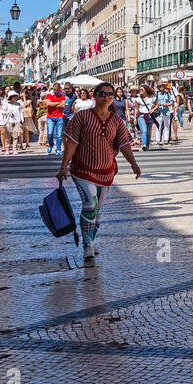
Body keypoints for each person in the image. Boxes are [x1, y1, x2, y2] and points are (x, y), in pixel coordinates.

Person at [56, 82, 141, 264]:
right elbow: (71, 142)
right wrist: (64, 166)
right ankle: (87, 245)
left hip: (106, 171)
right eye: (102, 94)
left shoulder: (116, 120)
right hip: (82, 170)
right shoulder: (82, 117)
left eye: (110, 94)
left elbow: (124, 143)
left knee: (98, 210)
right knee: (90, 205)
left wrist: (133, 163)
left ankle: (91, 241)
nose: (107, 97)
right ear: (95, 96)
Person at [0, 89, 23, 155]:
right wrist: (7, 112)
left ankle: (14, 149)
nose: (15, 98)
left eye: (15, 96)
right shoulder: (6, 104)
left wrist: (22, 119)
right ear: (10, 97)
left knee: (15, 136)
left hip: (16, 121)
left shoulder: (18, 104)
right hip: (8, 121)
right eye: (13, 96)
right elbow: (2, 112)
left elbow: (20, 112)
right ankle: (7, 149)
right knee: (7, 136)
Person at [135, 85, 155, 150]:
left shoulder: (152, 98)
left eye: (142, 89)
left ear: (146, 90)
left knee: (148, 132)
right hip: (141, 116)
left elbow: (157, 105)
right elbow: (136, 108)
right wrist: (135, 118)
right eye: (139, 89)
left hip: (149, 116)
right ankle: (144, 145)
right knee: (144, 130)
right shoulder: (138, 99)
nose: (140, 91)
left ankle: (147, 145)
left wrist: (152, 110)